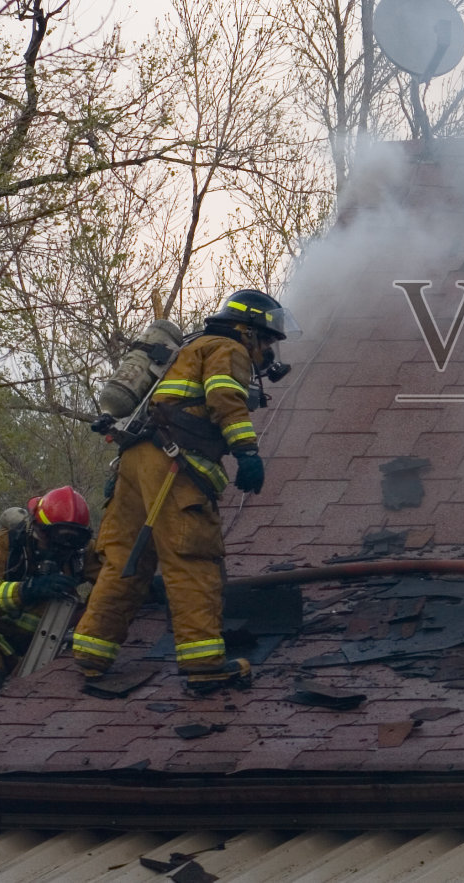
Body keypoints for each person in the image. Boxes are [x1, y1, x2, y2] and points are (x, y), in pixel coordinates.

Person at [71, 289, 288, 693]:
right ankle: (205, 666)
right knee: (191, 557)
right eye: (268, 340)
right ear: (248, 331)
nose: (269, 352)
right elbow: (225, 399)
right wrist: (246, 452)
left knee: (123, 559)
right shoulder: (227, 348)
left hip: (134, 464)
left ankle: (91, 653)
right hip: (172, 466)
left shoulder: (189, 348)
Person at [0, 487, 95, 721]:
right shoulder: (2, 545)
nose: (59, 550)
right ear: (38, 529)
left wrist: (145, 585)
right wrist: (27, 590)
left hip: (35, 648)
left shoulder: (77, 556)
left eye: (70, 542)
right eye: (54, 539)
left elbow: (113, 570)